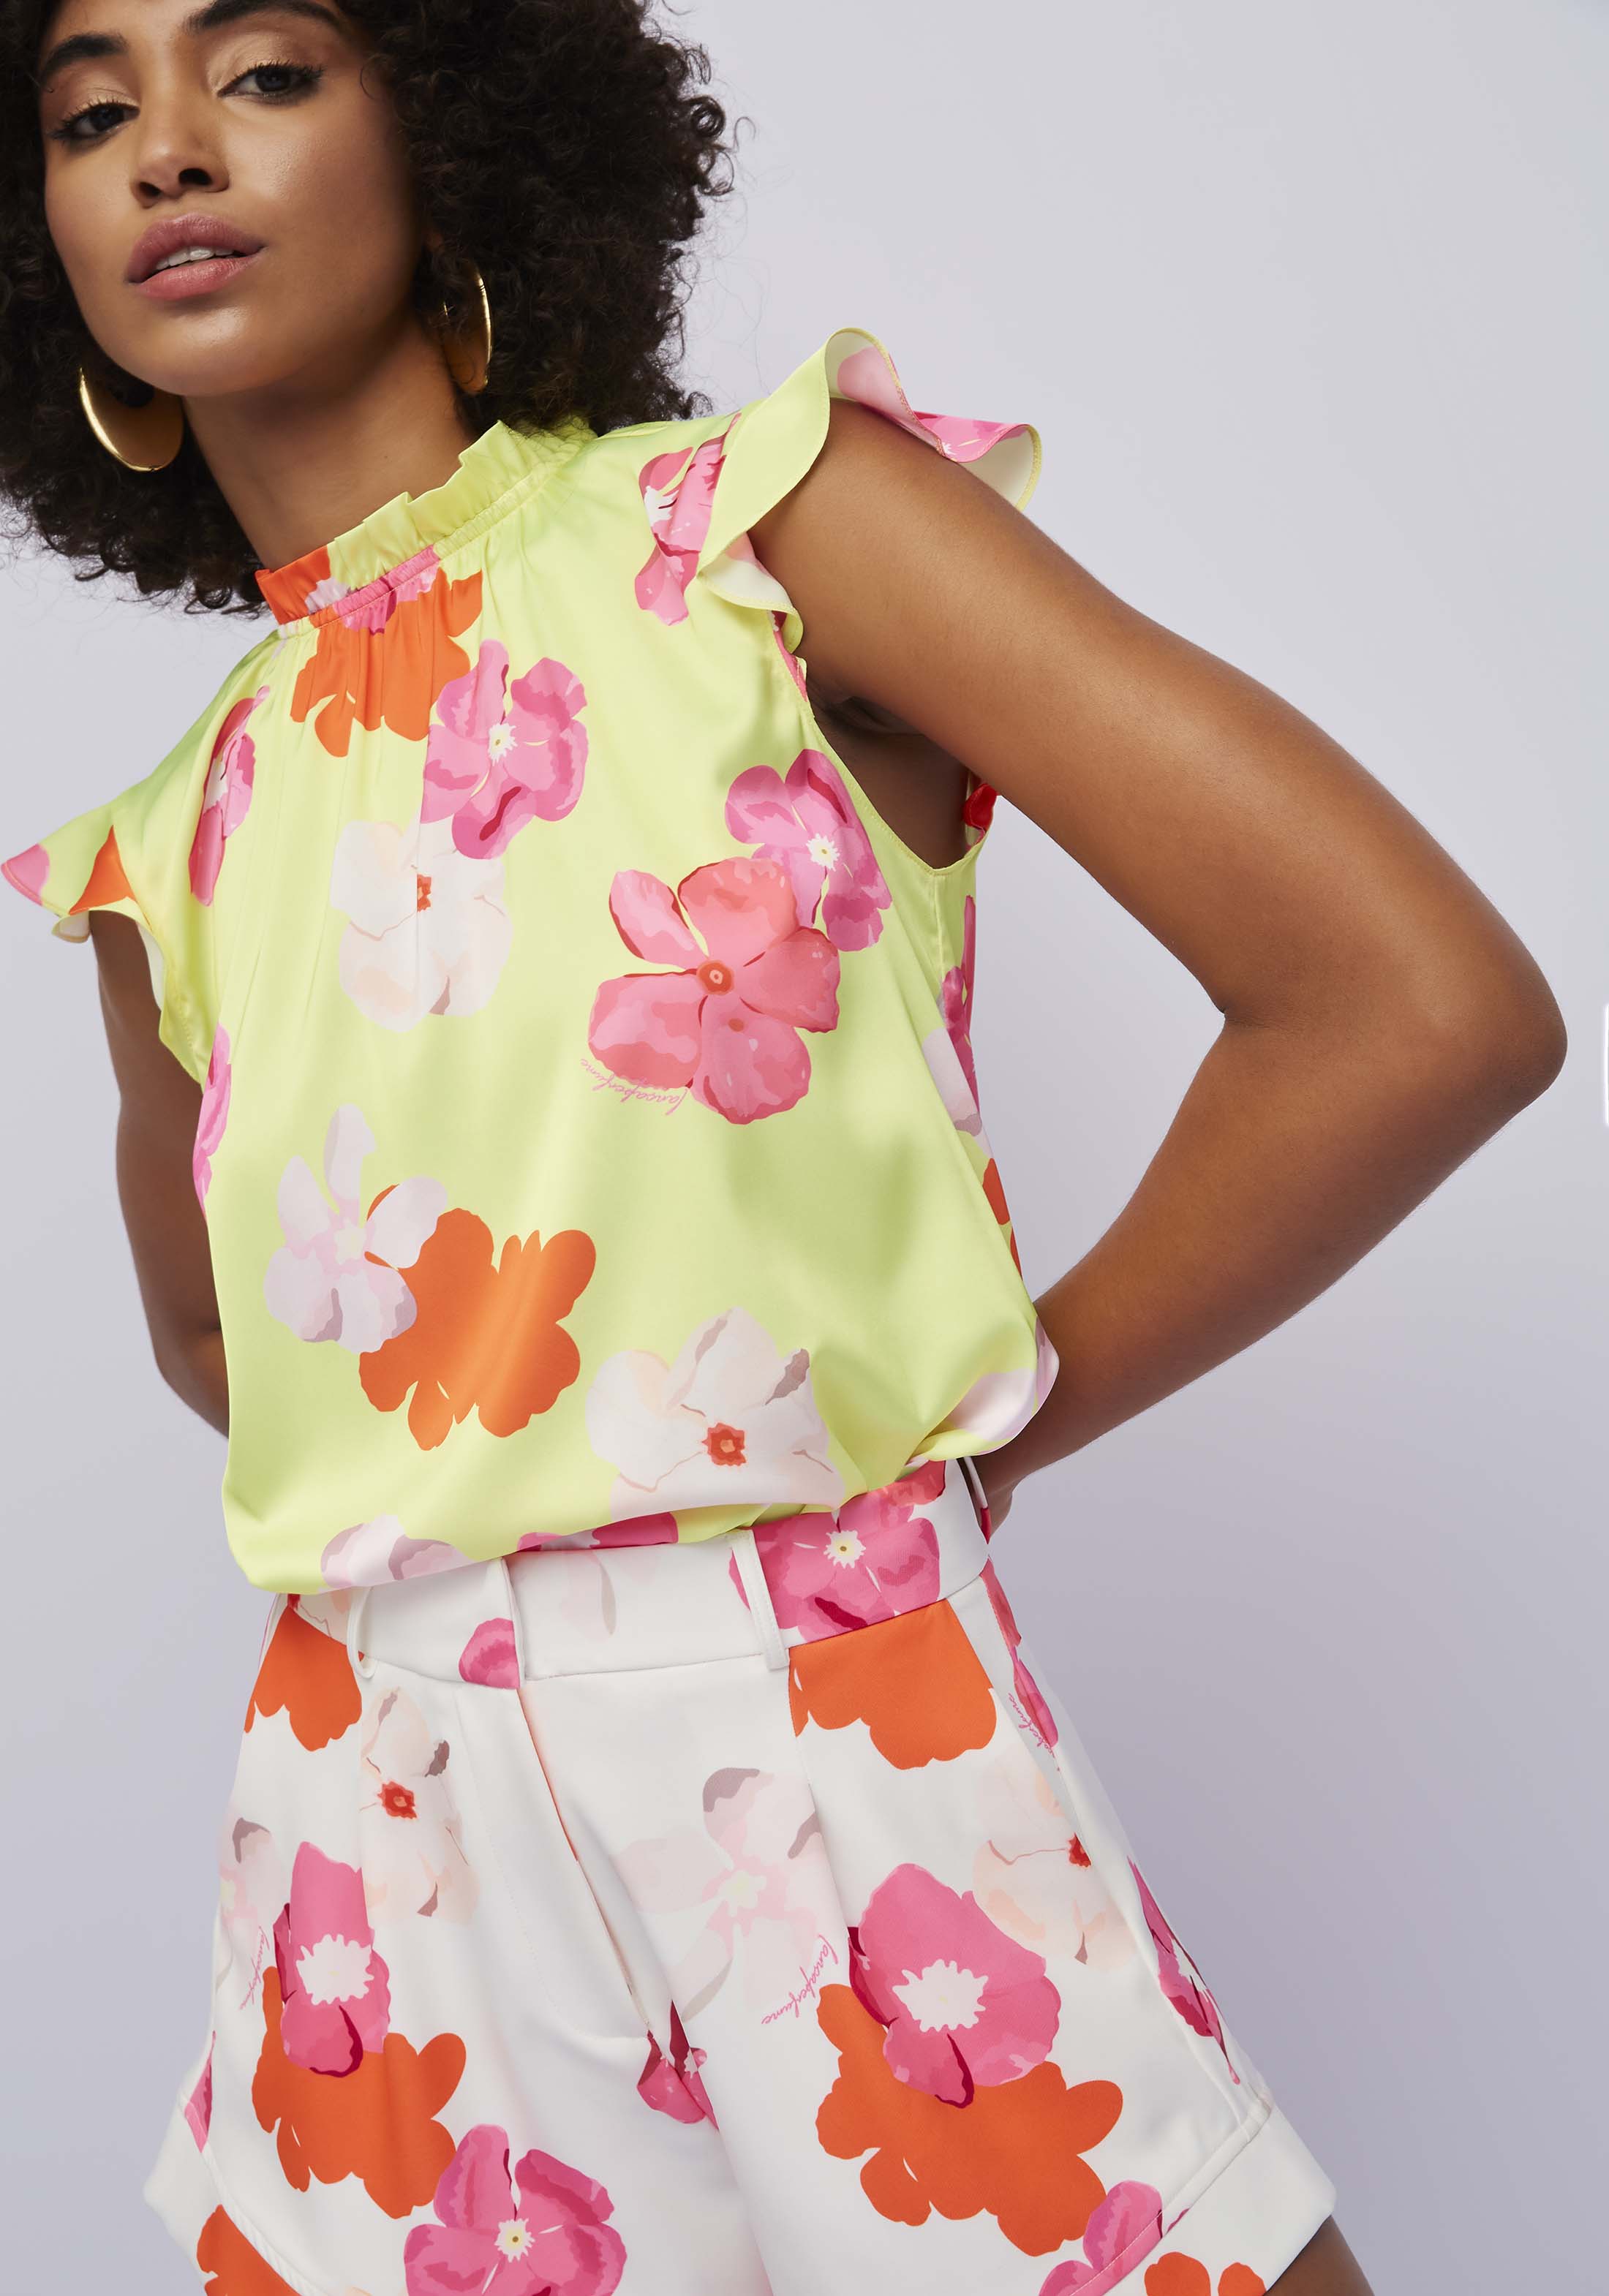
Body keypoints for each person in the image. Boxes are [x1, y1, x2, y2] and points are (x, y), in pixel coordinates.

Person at [1, 4, 1564, 2293]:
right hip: (388, 1834)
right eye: (87, 110)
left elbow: (1416, 1006)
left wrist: (985, 1421)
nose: (163, 149)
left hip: (832, 1730)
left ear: (451, 127)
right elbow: (220, 1343)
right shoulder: (165, 851)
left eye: (264, 70)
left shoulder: (762, 540)